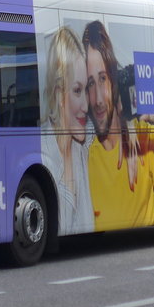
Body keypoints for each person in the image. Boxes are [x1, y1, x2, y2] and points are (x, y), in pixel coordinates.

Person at [81, 19, 154, 232]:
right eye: (91, 83)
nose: (98, 99)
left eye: (102, 79)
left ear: (113, 81)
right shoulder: (84, 157)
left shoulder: (142, 134)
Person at [39, 26, 94, 234]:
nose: (86, 106)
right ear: (59, 92)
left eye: (86, 90)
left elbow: (113, 123)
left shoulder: (84, 144)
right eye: (77, 90)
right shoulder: (42, 151)